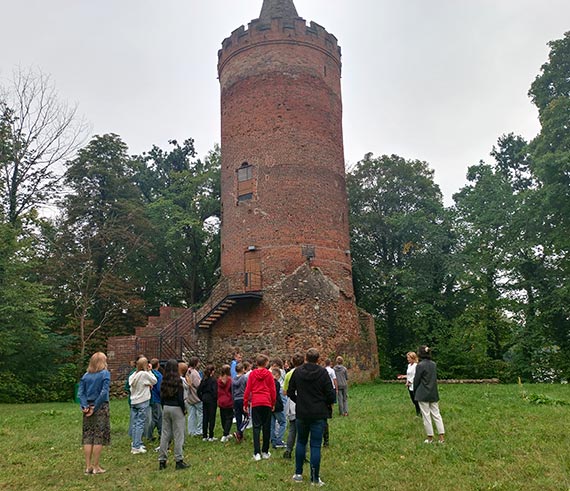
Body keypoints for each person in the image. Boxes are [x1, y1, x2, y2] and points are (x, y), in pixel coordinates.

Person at [287, 348, 335, 486]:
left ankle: (298, 474)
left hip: (302, 412)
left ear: (306, 358)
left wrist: (300, 401)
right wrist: (324, 403)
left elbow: (290, 391)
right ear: (318, 359)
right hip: (318, 413)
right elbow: (330, 394)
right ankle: (315, 478)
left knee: (301, 442)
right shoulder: (322, 373)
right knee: (315, 445)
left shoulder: (298, 372)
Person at [78, 352, 111, 475]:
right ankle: (96, 466)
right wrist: (95, 407)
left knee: (87, 436)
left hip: (87, 407)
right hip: (101, 407)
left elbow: (81, 393)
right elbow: (104, 392)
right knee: (98, 437)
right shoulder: (105, 374)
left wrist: (85, 406)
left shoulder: (86, 376)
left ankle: (88, 466)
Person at [243, 354, 276, 461]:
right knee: (266, 427)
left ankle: (257, 452)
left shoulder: (252, 374)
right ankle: (265, 451)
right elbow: (273, 390)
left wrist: (245, 403)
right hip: (266, 401)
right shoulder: (269, 374)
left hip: (256, 402)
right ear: (266, 363)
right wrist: (273, 402)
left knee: (256, 428)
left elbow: (248, 389)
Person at [158, 359, 189, 470]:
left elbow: (161, 396)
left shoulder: (164, 381)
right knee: (178, 434)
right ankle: (178, 459)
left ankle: (162, 460)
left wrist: (164, 407)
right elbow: (180, 398)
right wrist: (183, 409)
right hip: (176, 408)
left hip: (166, 407)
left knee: (165, 434)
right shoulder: (178, 381)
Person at [413, 345, 445, 444]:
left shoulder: (420, 365)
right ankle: (441, 437)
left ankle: (430, 437)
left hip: (422, 393)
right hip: (433, 392)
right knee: (437, 414)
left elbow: (416, 380)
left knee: (426, 416)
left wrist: (415, 391)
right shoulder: (433, 364)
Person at [128, 357, 157, 454]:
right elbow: (154, 380)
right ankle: (136, 446)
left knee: (135, 423)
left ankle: (136, 442)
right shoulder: (144, 374)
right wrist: (149, 371)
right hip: (142, 400)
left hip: (134, 401)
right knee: (140, 423)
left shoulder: (133, 375)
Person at [282, 352, 305, 459]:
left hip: (292, 403)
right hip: (303, 402)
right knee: (304, 430)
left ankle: (288, 450)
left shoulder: (288, 374)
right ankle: (302, 453)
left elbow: (285, 391)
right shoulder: (306, 373)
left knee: (292, 428)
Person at [144, 358, 163, 443]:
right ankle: (149, 434)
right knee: (156, 417)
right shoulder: (158, 375)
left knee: (159, 417)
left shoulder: (149, 374)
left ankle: (161, 433)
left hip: (151, 397)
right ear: (158, 365)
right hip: (157, 398)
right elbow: (159, 388)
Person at [198, 365, 218, 441]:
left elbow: (198, 390)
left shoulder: (203, 380)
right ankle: (211, 435)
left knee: (205, 417)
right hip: (211, 400)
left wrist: (201, 397)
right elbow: (215, 391)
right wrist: (215, 398)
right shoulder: (213, 380)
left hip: (205, 398)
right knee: (211, 417)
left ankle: (204, 435)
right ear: (212, 371)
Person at [397, 352, 421, 416]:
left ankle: (420, 413)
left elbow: (416, 375)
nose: (408, 359)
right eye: (407, 358)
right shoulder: (409, 365)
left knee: (416, 400)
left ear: (413, 358)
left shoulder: (416, 365)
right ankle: (418, 412)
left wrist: (410, 381)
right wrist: (403, 376)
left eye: (409, 358)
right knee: (413, 400)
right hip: (409, 385)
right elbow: (409, 375)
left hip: (415, 385)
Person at [185, 357, 203, 437]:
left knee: (191, 414)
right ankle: (199, 430)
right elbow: (198, 385)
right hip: (196, 396)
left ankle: (191, 431)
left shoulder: (187, 372)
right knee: (200, 413)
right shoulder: (194, 373)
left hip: (190, 396)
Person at [218, 364, 234, 442]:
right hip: (228, 400)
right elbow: (232, 390)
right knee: (229, 418)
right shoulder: (230, 380)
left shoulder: (219, 380)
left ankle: (225, 432)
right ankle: (225, 434)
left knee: (223, 417)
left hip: (221, 400)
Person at [270, 367, 286, 449]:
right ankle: (279, 440)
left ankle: (273, 439)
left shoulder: (267, 383)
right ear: (277, 375)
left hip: (269, 405)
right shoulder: (276, 383)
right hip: (277, 405)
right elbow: (276, 395)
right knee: (283, 422)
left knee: (272, 423)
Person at [231, 362, 247, 443]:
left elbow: (232, 390)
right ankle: (239, 432)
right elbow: (247, 388)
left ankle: (239, 434)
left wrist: (233, 399)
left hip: (236, 399)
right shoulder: (244, 378)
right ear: (243, 369)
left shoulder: (233, 379)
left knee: (238, 417)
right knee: (247, 418)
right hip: (243, 398)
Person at [323, 359, 337, 447]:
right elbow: (334, 380)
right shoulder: (324, 372)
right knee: (324, 422)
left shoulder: (323, 371)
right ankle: (326, 441)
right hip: (323, 399)